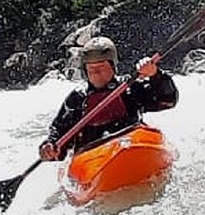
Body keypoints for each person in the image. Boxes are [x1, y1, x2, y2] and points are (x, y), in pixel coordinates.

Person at [39, 35, 178, 160]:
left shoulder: (129, 88)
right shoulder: (77, 98)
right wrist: (50, 146)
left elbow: (168, 100)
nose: (96, 74)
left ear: (113, 67)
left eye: (101, 68)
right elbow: (59, 135)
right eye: (91, 69)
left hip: (130, 145)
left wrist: (155, 75)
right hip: (91, 157)